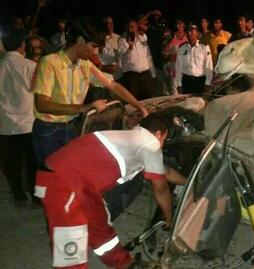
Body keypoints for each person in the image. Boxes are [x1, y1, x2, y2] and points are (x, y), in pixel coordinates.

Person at [34, 114, 186, 269]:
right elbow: (161, 189)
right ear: (159, 134)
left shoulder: (131, 138)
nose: (161, 145)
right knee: (70, 241)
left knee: (99, 223)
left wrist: (189, 182)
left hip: (80, 183)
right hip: (63, 182)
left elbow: (165, 172)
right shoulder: (150, 143)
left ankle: (123, 263)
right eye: (163, 140)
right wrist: (169, 218)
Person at [31, 18, 149, 167]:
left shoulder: (85, 65)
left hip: (72, 126)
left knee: (71, 173)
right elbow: (42, 105)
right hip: (50, 129)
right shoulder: (49, 63)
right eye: (93, 46)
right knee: (51, 179)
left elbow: (113, 86)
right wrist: (84, 108)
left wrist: (139, 106)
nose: (95, 52)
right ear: (80, 41)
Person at [0, 27, 37, 207]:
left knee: (12, 161)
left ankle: (19, 195)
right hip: (28, 122)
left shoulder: (1, 66)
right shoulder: (30, 66)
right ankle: (37, 196)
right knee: (32, 161)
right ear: (23, 46)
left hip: (5, 123)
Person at [117, 19, 156, 100]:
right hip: (132, 75)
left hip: (145, 74)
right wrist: (130, 47)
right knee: (134, 99)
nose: (132, 29)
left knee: (148, 99)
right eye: (130, 27)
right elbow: (121, 57)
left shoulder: (142, 38)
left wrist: (153, 74)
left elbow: (148, 56)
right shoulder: (122, 40)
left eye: (133, 26)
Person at [175, 24, 213, 94]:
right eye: (188, 32)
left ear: (197, 33)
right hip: (186, 81)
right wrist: (179, 84)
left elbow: (208, 66)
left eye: (192, 31)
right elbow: (178, 67)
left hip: (200, 81)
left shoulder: (204, 47)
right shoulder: (182, 48)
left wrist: (208, 83)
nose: (189, 33)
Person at [162, 19, 188, 95]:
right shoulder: (171, 38)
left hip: (186, 69)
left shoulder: (188, 37)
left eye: (181, 25)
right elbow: (164, 53)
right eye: (178, 25)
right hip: (174, 69)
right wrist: (172, 40)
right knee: (174, 92)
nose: (179, 26)